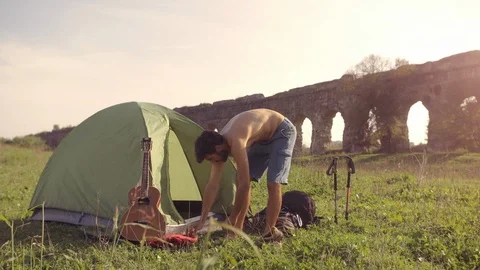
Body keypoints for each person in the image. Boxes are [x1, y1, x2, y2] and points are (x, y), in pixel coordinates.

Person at [190, 108, 297, 242]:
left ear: (217, 148)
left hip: (281, 131)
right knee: (239, 178)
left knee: (273, 183)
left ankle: (269, 233)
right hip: (261, 140)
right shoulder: (219, 147)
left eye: (211, 158)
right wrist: (202, 219)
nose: (213, 162)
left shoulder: (236, 140)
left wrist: (233, 216)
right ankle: (237, 231)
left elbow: (244, 185)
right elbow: (212, 185)